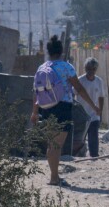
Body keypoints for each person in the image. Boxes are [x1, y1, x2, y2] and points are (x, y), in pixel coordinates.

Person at [30, 38, 92, 186]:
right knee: (56, 145)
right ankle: (54, 178)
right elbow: (79, 88)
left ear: (48, 51)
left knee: (52, 143)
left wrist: (34, 112)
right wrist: (93, 105)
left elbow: (36, 93)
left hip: (46, 108)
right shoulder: (66, 67)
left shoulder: (42, 68)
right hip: (62, 107)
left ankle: (54, 176)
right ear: (61, 51)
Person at [78, 57, 107, 158]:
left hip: (94, 114)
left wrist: (100, 110)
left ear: (96, 69)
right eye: (88, 69)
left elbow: (101, 96)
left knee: (93, 135)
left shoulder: (99, 81)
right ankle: (79, 154)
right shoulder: (80, 80)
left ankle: (94, 155)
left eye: (93, 69)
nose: (90, 71)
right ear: (85, 68)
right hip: (81, 114)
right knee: (80, 137)